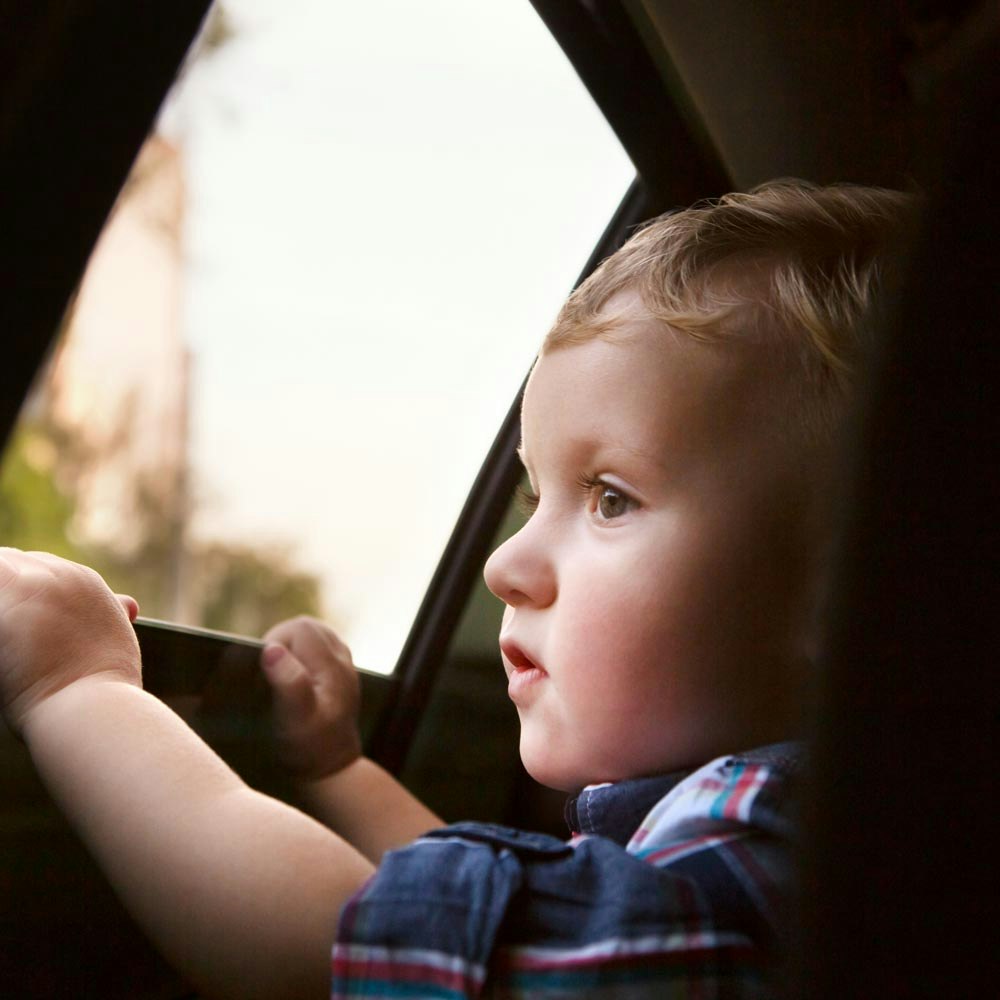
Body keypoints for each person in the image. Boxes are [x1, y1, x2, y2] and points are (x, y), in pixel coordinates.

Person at [0, 181, 912, 1000]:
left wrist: (78, 688)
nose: (504, 566)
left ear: (849, 593)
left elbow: (335, 954)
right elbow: (513, 926)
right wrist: (336, 770)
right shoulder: (739, 861)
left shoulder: (772, 857)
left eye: (609, 498)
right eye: (533, 495)